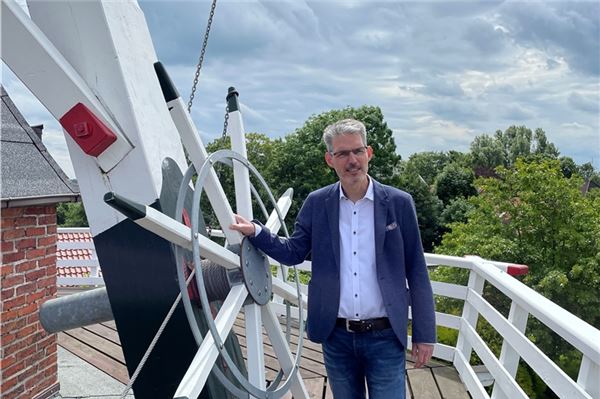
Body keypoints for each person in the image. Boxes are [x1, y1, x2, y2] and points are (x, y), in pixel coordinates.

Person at [230, 118, 436, 399]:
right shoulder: (318, 202)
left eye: (357, 151)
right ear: (330, 159)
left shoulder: (399, 203)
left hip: (385, 336)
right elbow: (293, 252)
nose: (352, 160)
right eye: (342, 154)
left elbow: (416, 270)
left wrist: (425, 334)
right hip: (336, 335)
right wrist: (257, 232)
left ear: (369, 153)